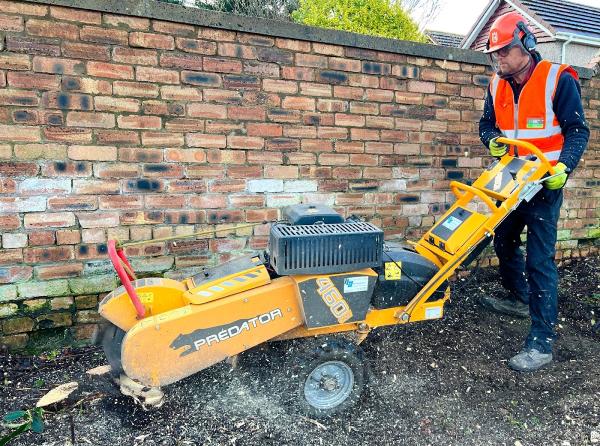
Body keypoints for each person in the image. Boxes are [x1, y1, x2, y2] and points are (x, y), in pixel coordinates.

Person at [478, 12, 589, 372]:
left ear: (526, 44)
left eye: (505, 51)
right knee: (503, 240)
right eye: (495, 53)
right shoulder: (495, 85)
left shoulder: (558, 80)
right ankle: (518, 298)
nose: (499, 59)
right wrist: (492, 141)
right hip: (508, 178)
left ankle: (541, 341)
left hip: (543, 182)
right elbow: (486, 126)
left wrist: (564, 168)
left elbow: (577, 131)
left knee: (539, 260)